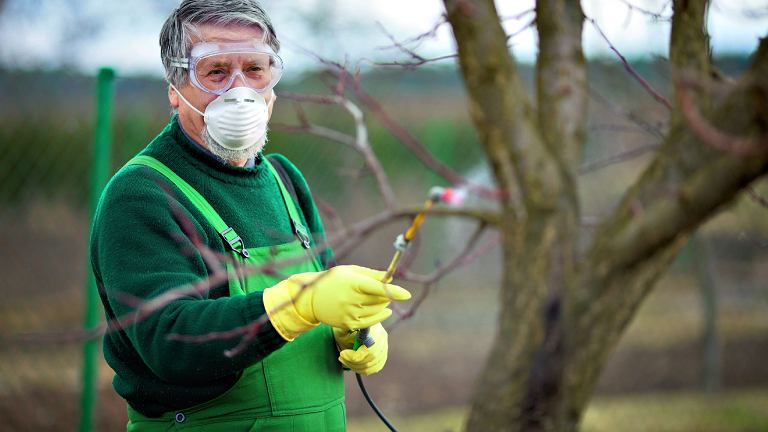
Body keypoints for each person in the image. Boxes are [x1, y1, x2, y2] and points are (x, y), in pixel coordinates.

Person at [89, 1, 410, 430]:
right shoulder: (143, 194)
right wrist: (300, 302)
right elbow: (170, 340)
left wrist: (351, 328)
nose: (240, 91)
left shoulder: (283, 179)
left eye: (256, 70)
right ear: (175, 86)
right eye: (216, 72)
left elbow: (323, 287)